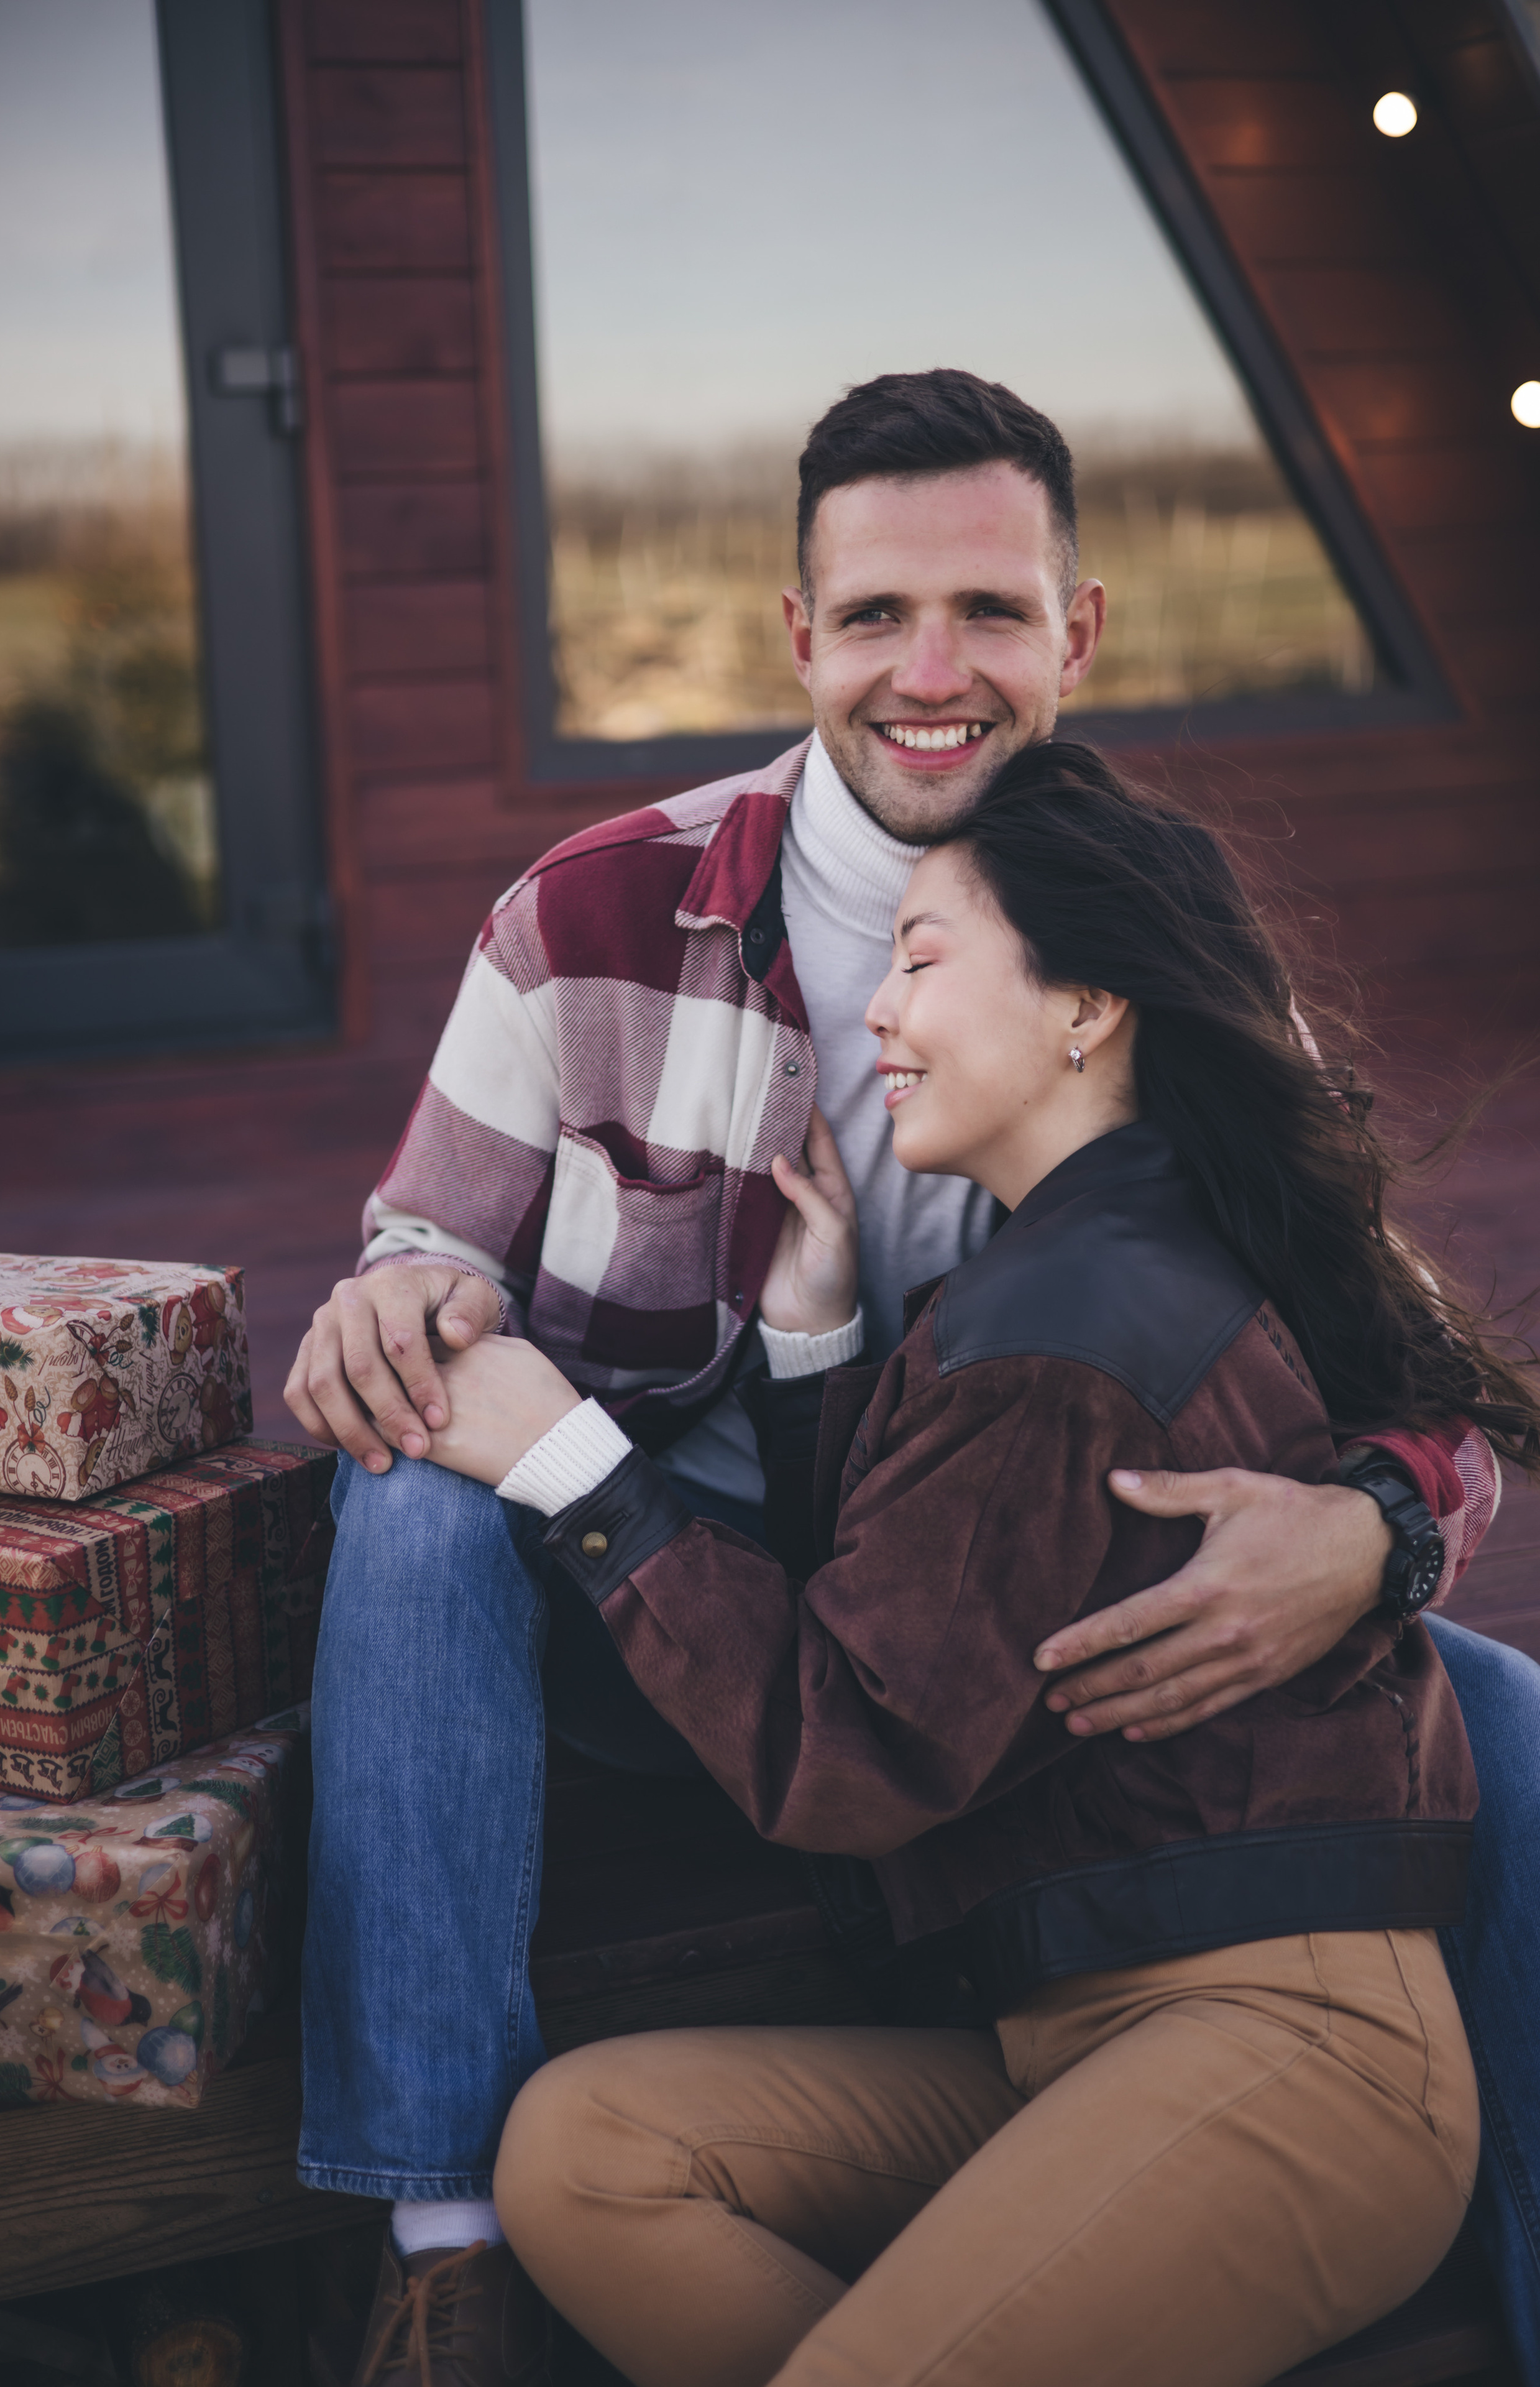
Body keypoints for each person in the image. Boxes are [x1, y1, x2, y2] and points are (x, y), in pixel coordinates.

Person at [285, 372, 1529, 2387]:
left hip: (1020, 1633)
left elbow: (1401, 1360)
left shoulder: (1143, 934)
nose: (931, 673)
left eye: (991, 616)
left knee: (1511, 1720)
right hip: (692, 1602)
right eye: (875, 618)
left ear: (1080, 633)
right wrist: (398, 1310)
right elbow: (426, 1257)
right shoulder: (587, 921)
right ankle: (441, 2241)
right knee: (415, 1498)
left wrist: (1379, 1530)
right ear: (800, 638)